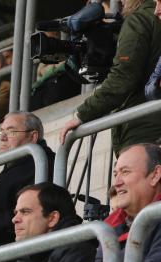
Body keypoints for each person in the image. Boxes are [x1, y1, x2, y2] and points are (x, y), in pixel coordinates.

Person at [60, 143, 161, 262]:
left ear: (155, 175)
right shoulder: (110, 230)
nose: (117, 182)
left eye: (126, 172)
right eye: (116, 174)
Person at [60, 0, 161, 154]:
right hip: (149, 124)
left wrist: (84, 114)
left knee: (135, 176)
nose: (120, 1)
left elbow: (123, 77)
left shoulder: (139, 19)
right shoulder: (149, 17)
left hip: (143, 130)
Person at [0, 111, 56, 247]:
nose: (2, 137)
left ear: (32, 137)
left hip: (14, 252)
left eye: (11, 132)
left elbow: (23, 215)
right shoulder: (14, 168)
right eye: (1, 132)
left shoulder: (40, 165)